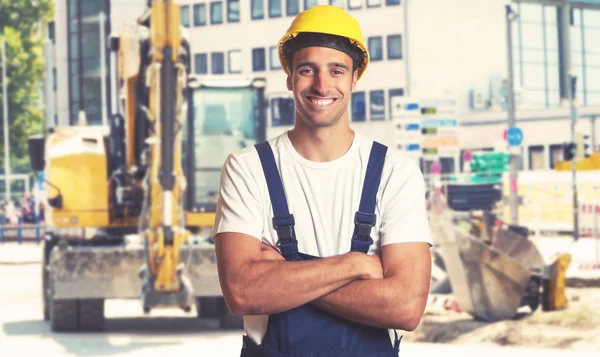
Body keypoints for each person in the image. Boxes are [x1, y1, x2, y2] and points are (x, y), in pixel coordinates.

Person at [212, 5, 432, 356]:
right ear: (289, 76)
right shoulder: (247, 168)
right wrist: (355, 266)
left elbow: (405, 306)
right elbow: (241, 292)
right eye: (307, 70)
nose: (322, 85)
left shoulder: (396, 172)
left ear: (355, 77)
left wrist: (283, 277)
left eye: (337, 70)